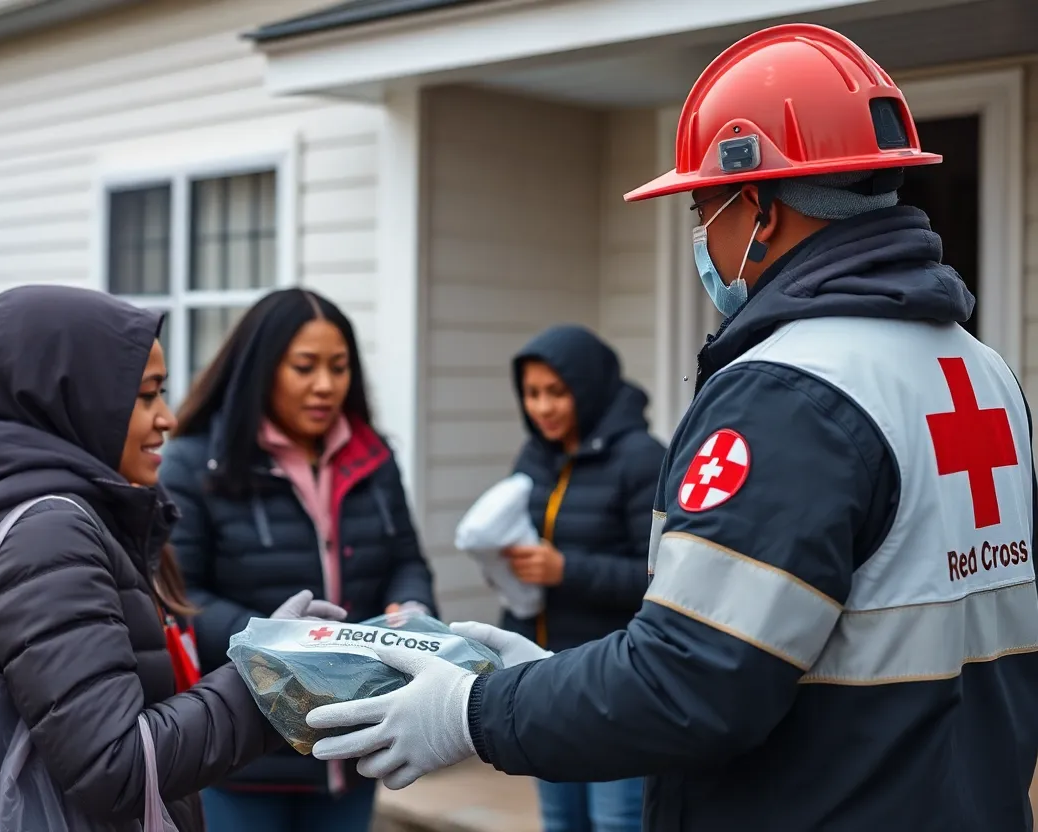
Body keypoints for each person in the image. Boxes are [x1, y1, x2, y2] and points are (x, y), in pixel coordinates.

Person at [301, 23, 1038, 831]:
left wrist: (474, 710)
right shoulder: (979, 368)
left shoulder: (790, 391)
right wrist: (557, 678)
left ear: (755, 205)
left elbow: (693, 681)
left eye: (700, 205)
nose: (699, 233)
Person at [0, 285, 344, 831]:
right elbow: (116, 767)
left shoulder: (8, 505)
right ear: (69, 399)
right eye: (145, 396)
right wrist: (270, 680)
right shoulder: (48, 534)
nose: (166, 418)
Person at [160, 287, 436, 831]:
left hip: (353, 739)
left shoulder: (373, 457)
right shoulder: (196, 465)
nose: (326, 385)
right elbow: (181, 597)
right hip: (243, 751)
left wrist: (414, 606)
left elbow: (406, 556)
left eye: (339, 367)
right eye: (305, 367)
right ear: (261, 370)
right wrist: (293, 645)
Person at [503, 324, 664, 832]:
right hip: (544, 679)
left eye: (557, 392)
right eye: (531, 394)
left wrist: (566, 570)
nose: (543, 408)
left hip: (615, 686)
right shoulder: (534, 457)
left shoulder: (643, 459)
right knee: (560, 822)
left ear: (589, 387)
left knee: (617, 822)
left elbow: (663, 575)